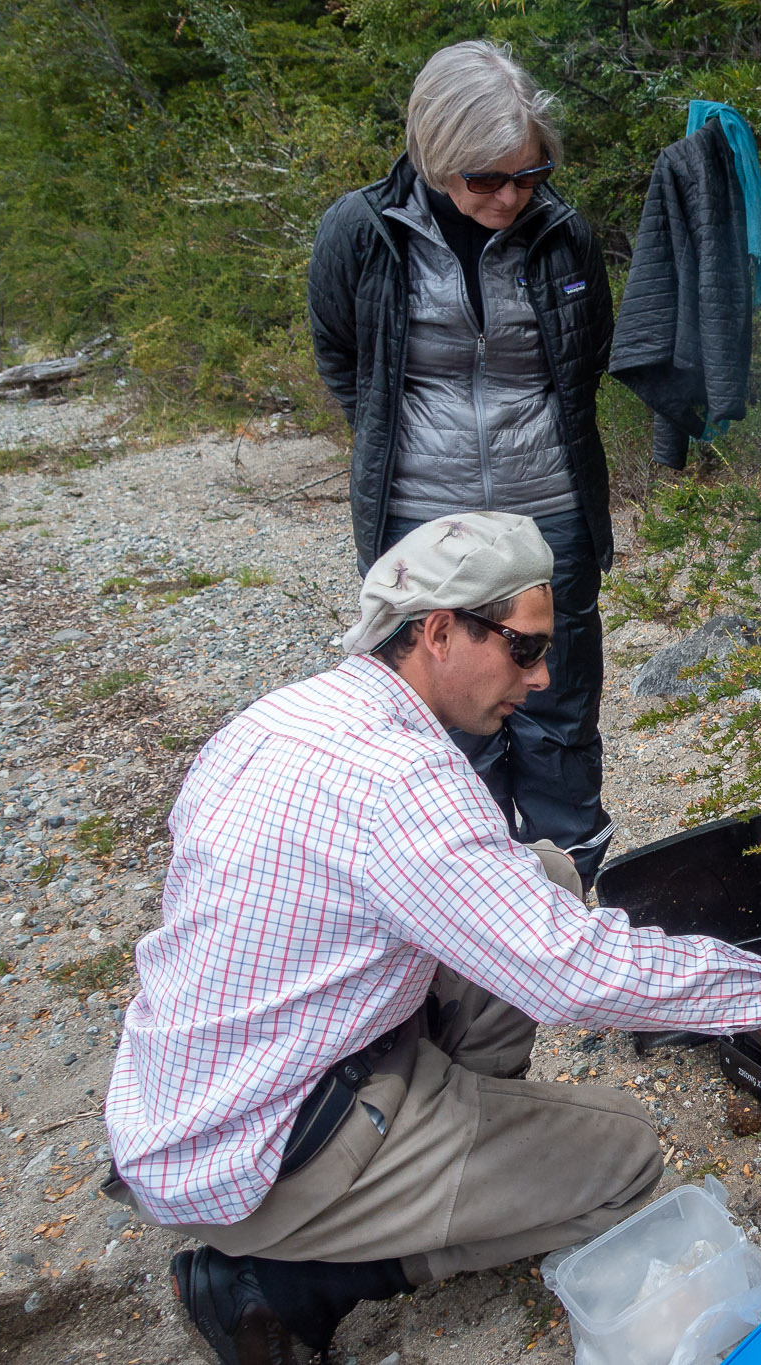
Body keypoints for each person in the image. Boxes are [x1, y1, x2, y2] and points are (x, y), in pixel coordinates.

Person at [103, 513, 761, 1365]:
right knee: (625, 1152)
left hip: (203, 1089)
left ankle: (455, 1145)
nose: (542, 676)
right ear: (439, 631)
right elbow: (574, 974)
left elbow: (524, 924)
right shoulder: (401, 784)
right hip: (270, 1144)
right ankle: (294, 1281)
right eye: (524, 649)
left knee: (541, 876)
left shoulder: (285, 715)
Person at [308, 41, 619, 887]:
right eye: (485, 179)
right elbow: (343, 360)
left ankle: (572, 902)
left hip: (547, 508)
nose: (511, 195)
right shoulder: (361, 231)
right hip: (421, 520)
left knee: (555, 710)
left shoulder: (562, 234)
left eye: (529, 174)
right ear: (434, 155)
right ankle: (471, 902)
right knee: (446, 718)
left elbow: (584, 363)